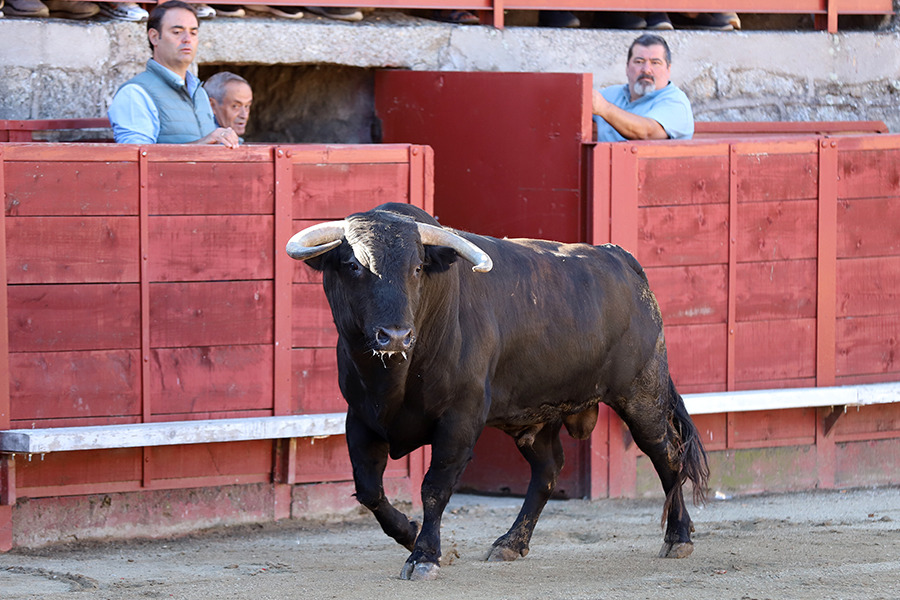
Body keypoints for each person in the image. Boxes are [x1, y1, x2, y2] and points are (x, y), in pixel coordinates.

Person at [107, 1, 239, 147]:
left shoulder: (199, 92)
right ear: (154, 37)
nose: (187, 39)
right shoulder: (135, 93)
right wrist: (201, 144)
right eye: (177, 32)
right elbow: (137, 156)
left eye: (193, 33)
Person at [592, 33, 693, 142]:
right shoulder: (610, 94)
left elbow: (646, 132)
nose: (646, 70)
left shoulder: (676, 102)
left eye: (655, 63)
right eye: (639, 62)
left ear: (668, 69)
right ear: (627, 68)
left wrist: (605, 109)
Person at [203, 71, 253, 138]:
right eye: (235, 106)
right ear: (212, 105)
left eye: (247, 106)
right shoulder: (205, 140)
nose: (244, 115)